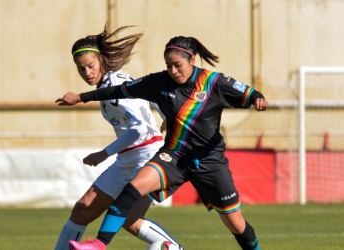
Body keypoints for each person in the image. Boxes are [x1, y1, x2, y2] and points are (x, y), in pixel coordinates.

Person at [58, 36, 269, 250]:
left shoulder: (213, 82)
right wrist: (81, 97)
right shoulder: (159, 81)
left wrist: (257, 99)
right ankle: (99, 244)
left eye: (178, 65)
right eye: (169, 66)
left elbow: (249, 93)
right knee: (127, 190)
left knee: (235, 222)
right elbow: (125, 91)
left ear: (192, 60)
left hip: (208, 161)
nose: (173, 71)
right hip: (174, 157)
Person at [54, 24, 184, 250]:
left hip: (148, 156)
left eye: (91, 66)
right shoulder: (111, 81)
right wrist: (166, 115)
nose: (87, 73)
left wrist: (104, 153)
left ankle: (174, 248)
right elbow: (151, 96)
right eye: (81, 69)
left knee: (130, 219)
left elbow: (139, 130)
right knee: (83, 209)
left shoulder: (114, 85)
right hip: (127, 158)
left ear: (102, 60)